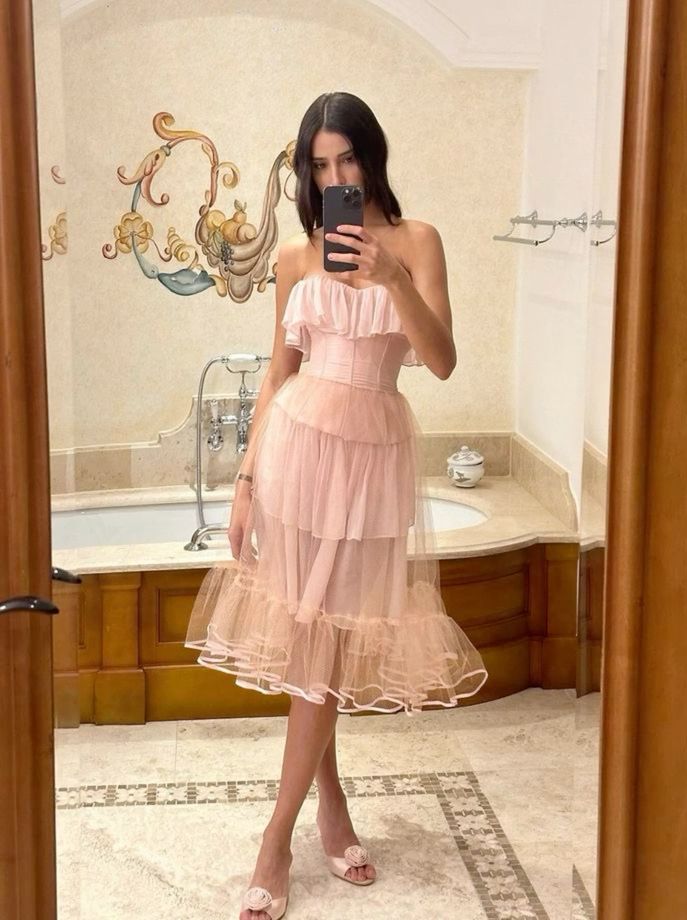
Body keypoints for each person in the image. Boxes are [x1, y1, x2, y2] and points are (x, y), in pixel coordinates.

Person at [184, 91, 488, 920]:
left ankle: (307, 819)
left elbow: (442, 360)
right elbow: (277, 375)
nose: (334, 177)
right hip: (296, 451)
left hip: (373, 459)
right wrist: (244, 481)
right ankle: (290, 832)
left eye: (346, 159)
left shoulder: (417, 242)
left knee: (329, 642)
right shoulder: (296, 257)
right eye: (319, 166)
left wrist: (391, 278)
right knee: (308, 642)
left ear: (371, 156)